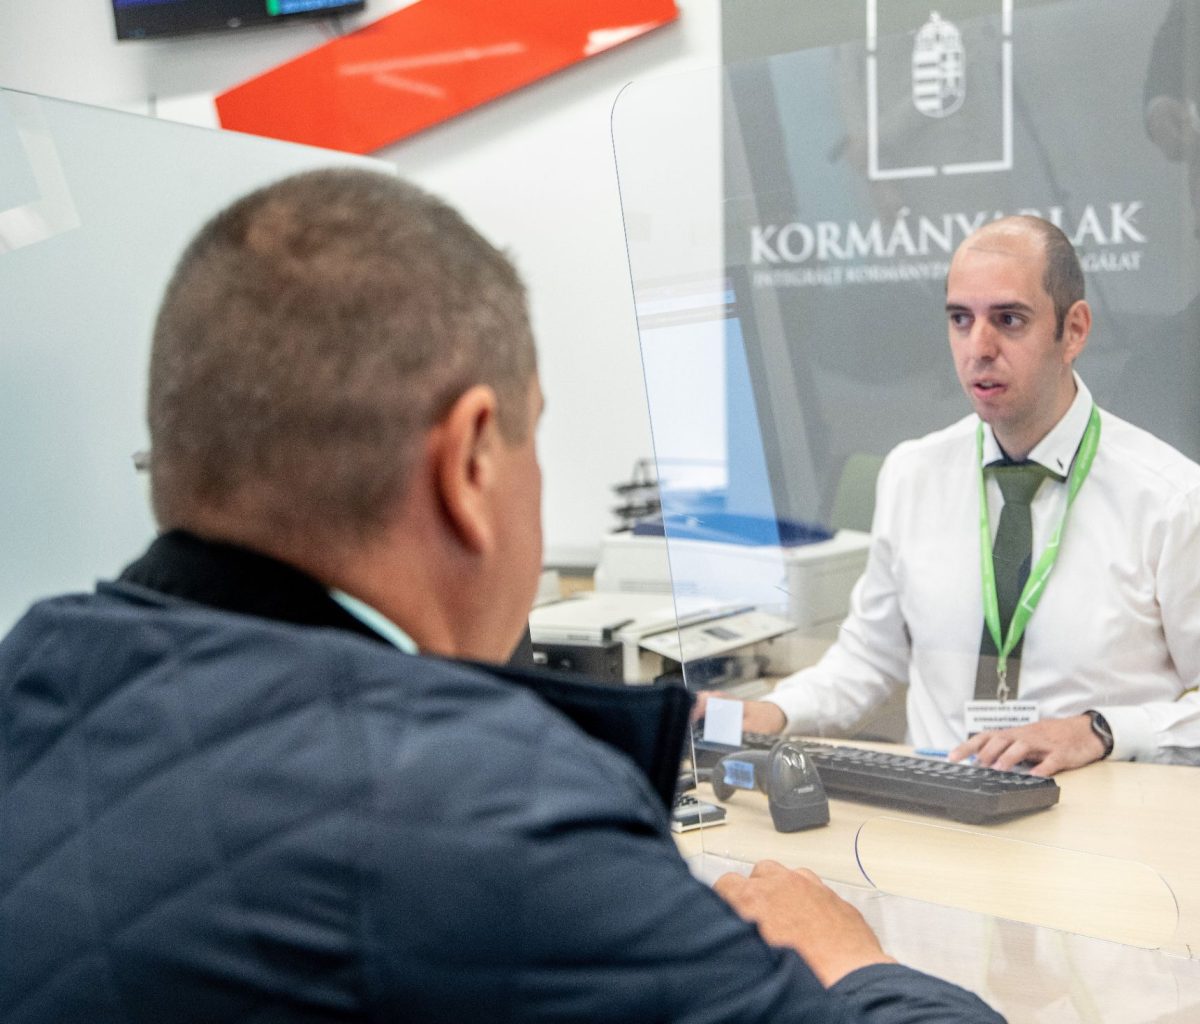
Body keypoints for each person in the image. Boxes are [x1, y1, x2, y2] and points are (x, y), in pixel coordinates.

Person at [0, 170, 1003, 1024]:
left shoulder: (30, 682)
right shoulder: (484, 819)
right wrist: (848, 961)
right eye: (535, 435)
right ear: (471, 461)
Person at [721, 216, 1200, 777]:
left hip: (1094, 819)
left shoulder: (1171, 500)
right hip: (937, 802)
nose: (979, 346)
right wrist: (773, 712)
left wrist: (1102, 732)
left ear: (1073, 331)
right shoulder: (912, 474)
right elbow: (869, 659)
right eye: (960, 319)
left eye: (1009, 319)